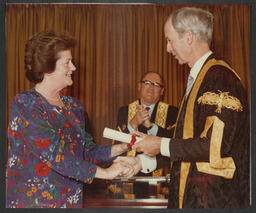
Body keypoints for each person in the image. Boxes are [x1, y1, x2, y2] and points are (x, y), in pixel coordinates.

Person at [123, 7, 249, 208]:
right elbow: (186, 143)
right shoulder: (200, 77)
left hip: (212, 200)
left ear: (189, 37)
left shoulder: (220, 79)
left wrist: (159, 145)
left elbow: (214, 146)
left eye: (169, 40)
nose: (167, 48)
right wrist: (144, 162)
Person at [6, 31, 134, 208]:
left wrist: (121, 148)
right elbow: (55, 154)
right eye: (67, 62)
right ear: (47, 67)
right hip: (34, 203)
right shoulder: (25, 104)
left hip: (70, 202)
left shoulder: (74, 106)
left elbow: (86, 152)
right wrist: (105, 173)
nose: (73, 67)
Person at [116, 72, 178, 176]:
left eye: (156, 85)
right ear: (139, 86)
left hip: (161, 174)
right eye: (147, 83)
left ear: (162, 91)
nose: (151, 88)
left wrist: (151, 127)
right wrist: (133, 124)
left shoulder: (173, 112)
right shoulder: (124, 111)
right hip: (129, 174)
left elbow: (174, 143)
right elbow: (116, 145)